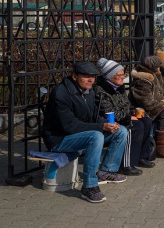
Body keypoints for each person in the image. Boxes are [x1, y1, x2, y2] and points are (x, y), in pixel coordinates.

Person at [42, 61, 128, 203]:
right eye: (86, 76)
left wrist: (107, 124)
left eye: (93, 76)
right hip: (59, 139)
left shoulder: (89, 91)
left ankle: (107, 171)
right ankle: (89, 186)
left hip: (79, 135)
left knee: (121, 131)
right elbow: (70, 126)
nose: (91, 80)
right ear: (74, 76)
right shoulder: (61, 93)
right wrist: (101, 127)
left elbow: (94, 117)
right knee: (96, 136)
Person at [95, 58, 155, 176]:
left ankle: (142, 157)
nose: (123, 77)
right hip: (110, 121)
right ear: (110, 76)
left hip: (124, 116)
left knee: (146, 121)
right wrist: (128, 117)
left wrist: (133, 111)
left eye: (123, 74)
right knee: (135, 126)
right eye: (120, 75)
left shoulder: (119, 87)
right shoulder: (101, 91)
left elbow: (126, 105)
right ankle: (126, 164)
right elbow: (109, 112)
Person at [129, 56, 164, 159]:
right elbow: (147, 103)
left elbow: (160, 94)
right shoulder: (143, 81)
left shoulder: (153, 77)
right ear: (152, 67)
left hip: (153, 105)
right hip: (141, 110)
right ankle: (160, 147)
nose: (159, 69)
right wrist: (163, 103)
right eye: (158, 67)